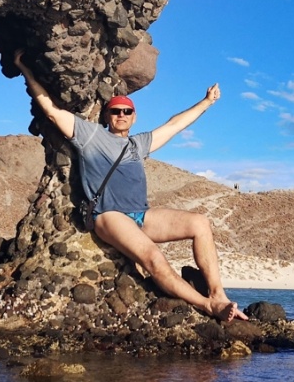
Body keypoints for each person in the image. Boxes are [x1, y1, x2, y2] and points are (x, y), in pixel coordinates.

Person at [14, 50, 247, 322]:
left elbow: (174, 125)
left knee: (200, 223)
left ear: (134, 117)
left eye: (127, 111)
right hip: (109, 216)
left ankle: (218, 295)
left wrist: (207, 102)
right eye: (115, 111)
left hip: (140, 216)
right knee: (153, 257)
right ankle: (207, 305)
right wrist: (25, 70)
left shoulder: (138, 145)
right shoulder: (90, 136)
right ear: (107, 116)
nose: (121, 115)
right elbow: (52, 112)